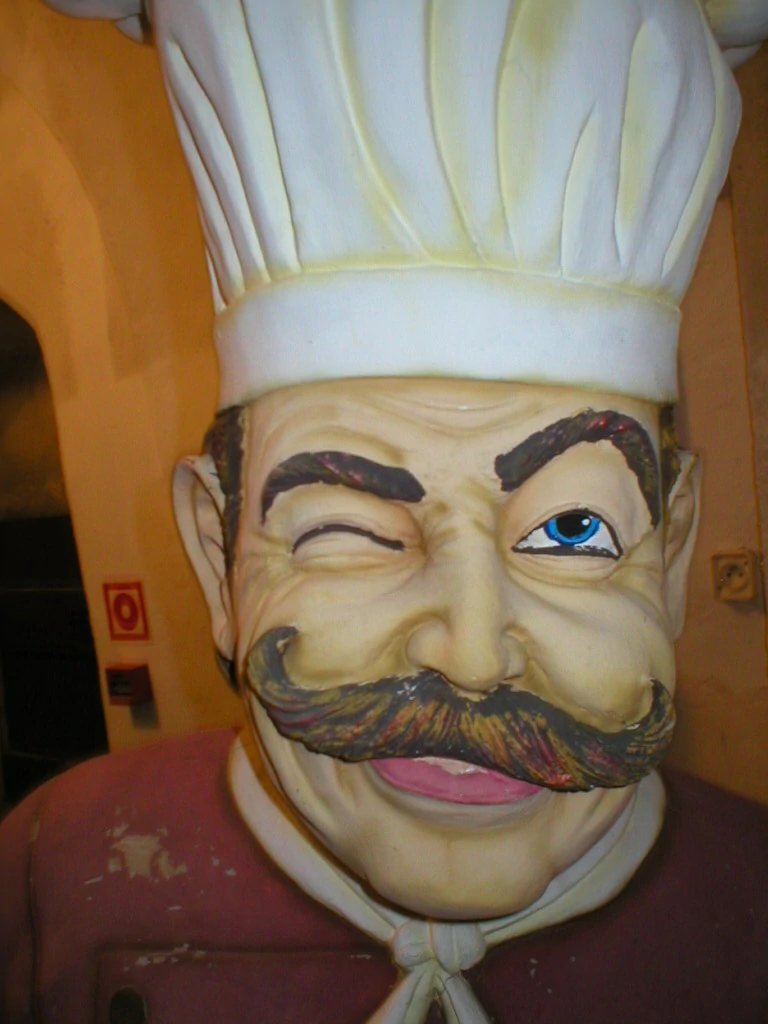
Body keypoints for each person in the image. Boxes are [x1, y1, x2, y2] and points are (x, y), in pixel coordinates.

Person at [3, 2, 768, 1022]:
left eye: (573, 531)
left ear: (668, 556)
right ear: (215, 553)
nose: (473, 654)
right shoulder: (52, 876)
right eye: (350, 532)